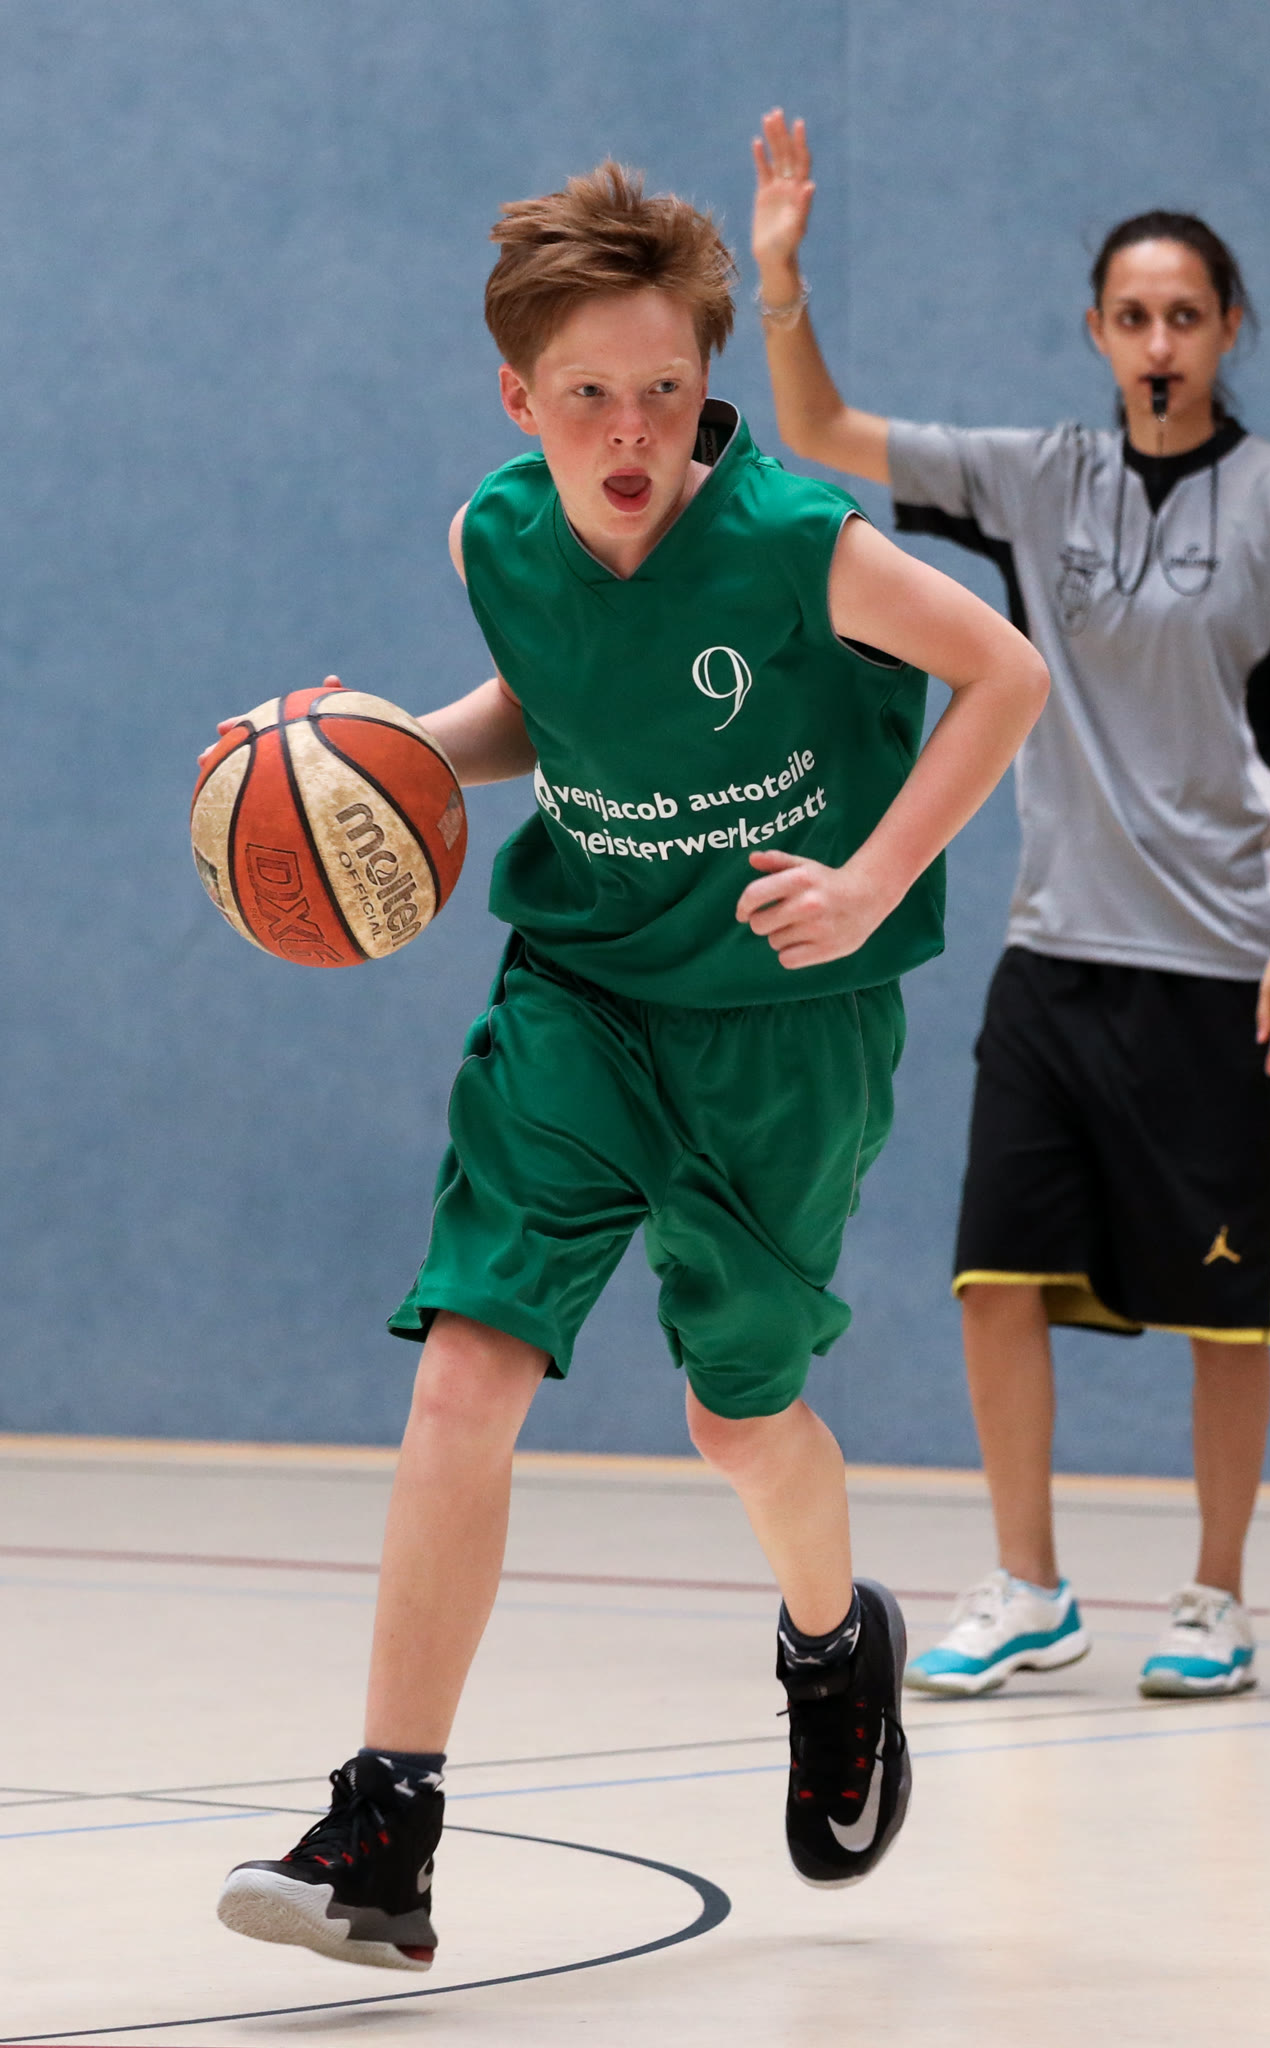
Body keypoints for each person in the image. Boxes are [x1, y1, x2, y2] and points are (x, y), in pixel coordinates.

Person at [211, 161, 1049, 1970]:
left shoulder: (796, 540)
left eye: (666, 388)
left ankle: (834, 1644)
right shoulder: (493, 539)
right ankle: (385, 1828)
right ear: (518, 396)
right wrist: (384, 762)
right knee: (467, 1374)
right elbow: (560, 706)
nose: (631, 428)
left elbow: (1004, 676)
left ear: (706, 385)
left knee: (737, 1420)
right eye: (588, 392)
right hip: (578, 994)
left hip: (783, 1027)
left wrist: (873, 876)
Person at [750, 111, 1270, 1701]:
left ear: (1227, 330)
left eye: (1186, 315)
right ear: (1096, 331)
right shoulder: (1040, 481)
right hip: (1053, 951)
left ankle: (1216, 1598)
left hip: (1221, 961)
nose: (1159, 341)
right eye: (1132, 315)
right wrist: (780, 278)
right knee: (994, 1272)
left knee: (1228, 1313)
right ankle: (1028, 1586)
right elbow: (816, 428)